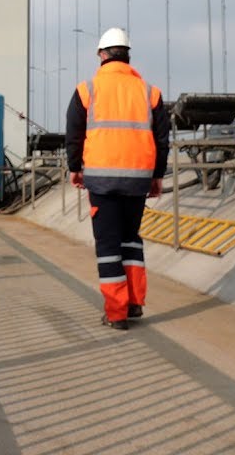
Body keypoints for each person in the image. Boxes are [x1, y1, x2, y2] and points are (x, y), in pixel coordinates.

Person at [65, 27, 170, 331]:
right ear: (127, 55)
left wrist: (75, 168)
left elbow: (74, 133)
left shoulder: (87, 89)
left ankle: (116, 313)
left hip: (100, 180)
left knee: (108, 244)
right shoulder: (150, 92)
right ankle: (135, 302)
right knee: (131, 240)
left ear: (102, 55)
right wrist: (157, 175)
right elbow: (162, 139)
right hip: (138, 180)